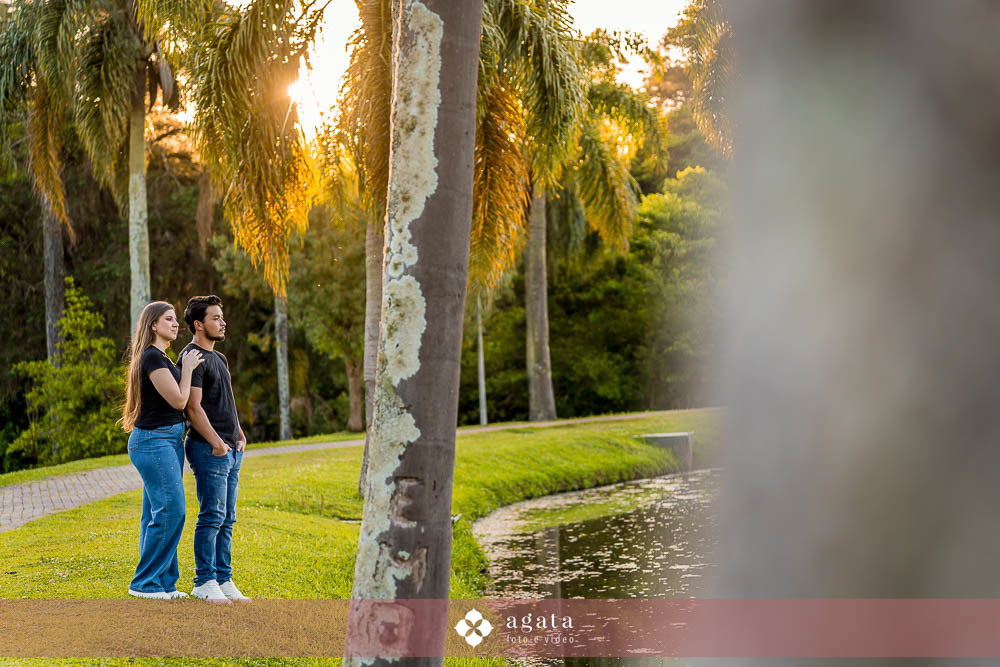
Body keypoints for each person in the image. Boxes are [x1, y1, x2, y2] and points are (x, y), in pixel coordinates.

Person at [120, 301, 204, 599]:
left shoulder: (162, 358)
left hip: (166, 441)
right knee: (172, 509)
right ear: (153, 325)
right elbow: (180, 401)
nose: (174, 324)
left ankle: (165, 584)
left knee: (156, 513)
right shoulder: (152, 358)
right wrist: (190, 369)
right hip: (153, 442)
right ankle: (144, 584)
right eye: (168, 319)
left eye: (174, 320)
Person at [179, 295, 251, 602]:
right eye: (216, 318)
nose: (222, 322)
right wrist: (217, 443)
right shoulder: (192, 357)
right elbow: (193, 408)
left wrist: (238, 433)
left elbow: (226, 401)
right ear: (199, 324)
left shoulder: (219, 358)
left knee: (228, 517)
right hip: (210, 450)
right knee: (211, 515)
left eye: (222, 317)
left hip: (230, 448)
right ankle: (204, 581)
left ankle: (224, 579)